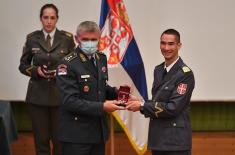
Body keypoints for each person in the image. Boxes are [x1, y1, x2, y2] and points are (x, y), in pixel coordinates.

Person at [56, 21, 124, 155]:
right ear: (76, 39)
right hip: (76, 136)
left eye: (94, 39)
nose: (90, 43)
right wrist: (103, 107)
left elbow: (100, 87)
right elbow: (70, 101)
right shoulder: (67, 64)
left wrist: (119, 93)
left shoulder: (101, 58)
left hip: (97, 133)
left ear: (99, 39)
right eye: (85, 39)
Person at [126, 29, 195, 155]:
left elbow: (173, 107)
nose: (166, 47)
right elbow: (159, 102)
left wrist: (142, 105)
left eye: (171, 44)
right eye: (163, 43)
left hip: (175, 143)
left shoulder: (185, 74)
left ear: (179, 45)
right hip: (158, 140)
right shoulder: (158, 70)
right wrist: (141, 102)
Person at [19, 4, 75, 155]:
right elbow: (23, 65)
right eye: (46, 17)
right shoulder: (32, 38)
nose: (49, 21)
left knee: (60, 142)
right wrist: (36, 71)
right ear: (41, 19)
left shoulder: (67, 39)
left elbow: (75, 66)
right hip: (37, 98)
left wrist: (62, 72)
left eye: (52, 17)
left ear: (57, 19)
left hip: (61, 97)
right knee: (41, 143)